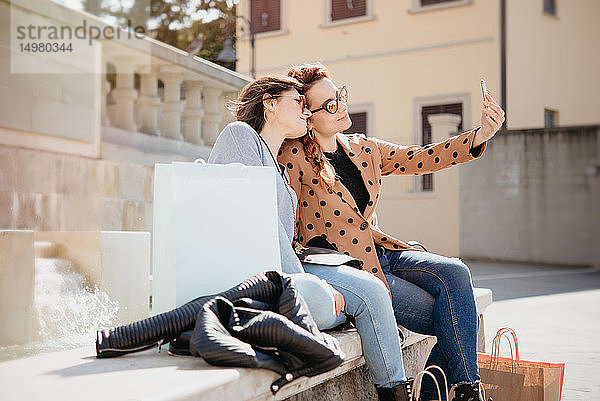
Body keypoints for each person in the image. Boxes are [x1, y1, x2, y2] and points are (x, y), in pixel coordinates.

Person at [277, 63, 505, 401]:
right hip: (350, 270)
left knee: (456, 274)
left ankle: (466, 392)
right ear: (307, 117)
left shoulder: (363, 148)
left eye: (339, 96)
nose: (341, 107)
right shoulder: (293, 156)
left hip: (383, 252)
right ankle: (453, 394)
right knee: (456, 315)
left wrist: (480, 135)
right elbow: (286, 223)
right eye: (329, 105)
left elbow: (423, 157)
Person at [207, 74, 415, 401]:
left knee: (373, 290)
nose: (306, 111)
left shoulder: (278, 166)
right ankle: (334, 305)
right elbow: (258, 231)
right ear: (270, 104)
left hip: (288, 272)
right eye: (298, 102)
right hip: (259, 280)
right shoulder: (240, 137)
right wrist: (308, 284)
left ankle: (394, 394)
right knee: (329, 298)